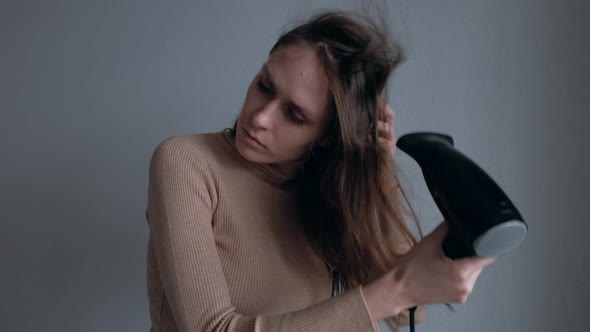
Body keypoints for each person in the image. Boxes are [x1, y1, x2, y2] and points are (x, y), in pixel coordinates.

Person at [145, 11, 495, 332]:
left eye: (295, 115)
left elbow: (407, 313)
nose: (260, 118)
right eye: (265, 86)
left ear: (328, 136)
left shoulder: (324, 192)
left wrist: (379, 171)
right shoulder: (186, 162)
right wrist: (397, 287)